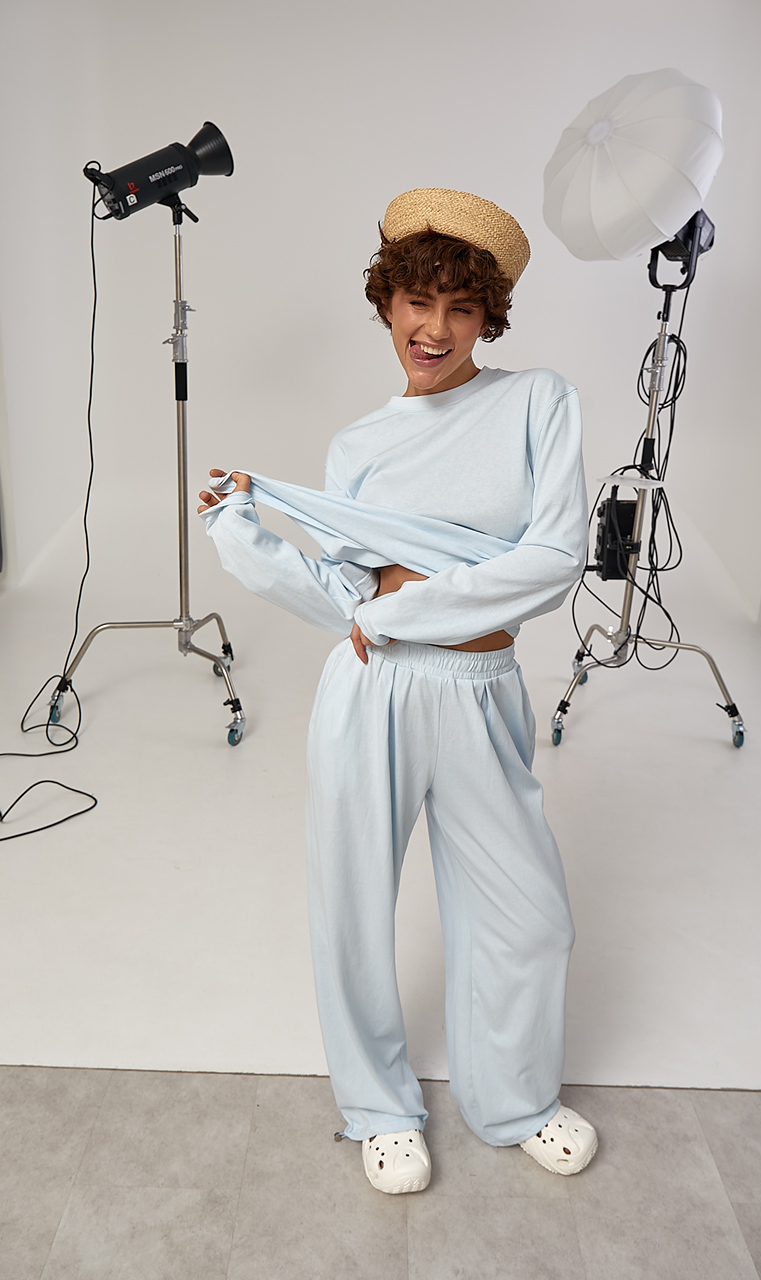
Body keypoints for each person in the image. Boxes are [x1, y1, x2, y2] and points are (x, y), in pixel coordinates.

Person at [198, 189, 597, 1194]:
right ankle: (378, 1109)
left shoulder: (537, 401)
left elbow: (552, 560)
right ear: (387, 303)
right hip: (372, 690)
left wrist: (400, 610)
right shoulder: (358, 445)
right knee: (351, 905)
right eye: (418, 302)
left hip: (479, 683)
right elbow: (344, 598)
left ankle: (513, 1100)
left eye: (461, 308)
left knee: (528, 914)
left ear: (488, 317)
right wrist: (243, 536)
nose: (435, 329)